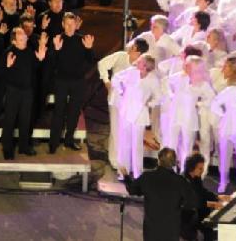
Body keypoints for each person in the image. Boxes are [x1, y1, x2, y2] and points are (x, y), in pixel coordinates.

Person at [122, 147, 198, 241]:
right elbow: (192, 202)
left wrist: (126, 176)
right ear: (174, 163)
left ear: (159, 161)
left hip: (151, 232)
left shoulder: (147, 177)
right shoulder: (180, 181)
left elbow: (132, 189)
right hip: (171, 232)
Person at [48, 13, 95, 153]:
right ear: (63, 24)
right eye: (67, 24)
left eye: (72, 24)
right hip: (61, 81)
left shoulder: (82, 40)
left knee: (74, 112)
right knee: (58, 112)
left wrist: (89, 49)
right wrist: (56, 50)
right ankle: (53, 143)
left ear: (76, 25)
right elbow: (51, 63)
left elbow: (91, 61)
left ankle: (69, 141)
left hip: (78, 82)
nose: (69, 27)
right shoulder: (57, 39)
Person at [100, 38, 150, 168]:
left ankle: (127, 160)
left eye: (133, 47)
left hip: (131, 104)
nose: (130, 48)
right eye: (131, 46)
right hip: (116, 100)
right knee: (116, 129)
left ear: (138, 52)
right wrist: (107, 82)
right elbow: (102, 64)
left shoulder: (142, 65)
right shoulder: (121, 56)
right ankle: (114, 161)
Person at [1, 28, 48, 159]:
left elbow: (35, 67)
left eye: (25, 37)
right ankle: (7, 149)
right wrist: (7, 66)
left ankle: (24, 146)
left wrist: (40, 59)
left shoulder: (29, 51)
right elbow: (1, 73)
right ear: (14, 41)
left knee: (25, 120)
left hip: (27, 91)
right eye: (21, 37)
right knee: (10, 120)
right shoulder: (9, 52)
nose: (25, 39)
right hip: (13, 91)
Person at [116, 54, 162, 177]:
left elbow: (159, 97)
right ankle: (123, 172)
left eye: (140, 61)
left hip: (140, 115)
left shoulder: (153, 79)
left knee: (137, 145)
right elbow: (116, 78)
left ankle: (137, 174)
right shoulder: (131, 72)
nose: (138, 61)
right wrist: (121, 91)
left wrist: (149, 104)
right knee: (124, 144)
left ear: (145, 66)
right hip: (126, 112)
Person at [181, 153, 228, 241]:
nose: (202, 171)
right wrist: (213, 204)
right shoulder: (184, 182)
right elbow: (194, 203)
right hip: (187, 218)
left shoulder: (196, 177)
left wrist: (218, 197)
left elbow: (202, 192)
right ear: (191, 168)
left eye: (203, 168)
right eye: (200, 168)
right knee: (207, 229)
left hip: (197, 213)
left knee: (210, 229)